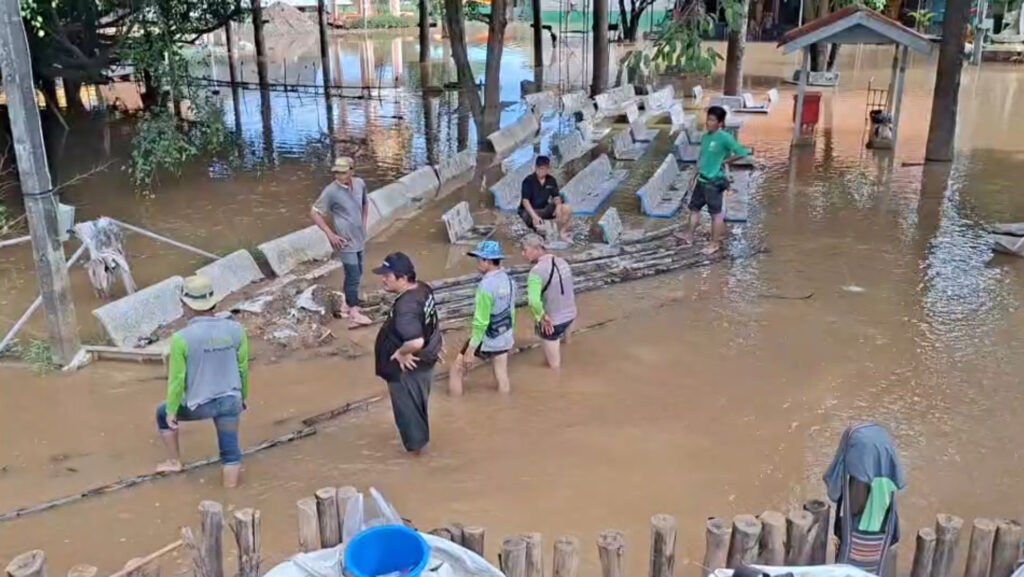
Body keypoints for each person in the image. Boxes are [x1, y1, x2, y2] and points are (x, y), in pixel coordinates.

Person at [155, 275, 249, 488]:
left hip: (201, 404)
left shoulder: (181, 338)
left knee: (161, 414)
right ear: (213, 302)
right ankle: (231, 495)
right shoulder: (236, 330)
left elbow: (177, 380)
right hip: (231, 400)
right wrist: (242, 398)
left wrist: (171, 410)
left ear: (186, 305)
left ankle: (174, 462)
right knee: (230, 453)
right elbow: (243, 368)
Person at [372, 252, 443, 455]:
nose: (383, 279)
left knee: (409, 416)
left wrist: (402, 353)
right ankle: (420, 449)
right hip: (424, 362)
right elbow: (431, 318)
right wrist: (436, 340)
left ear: (403, 278)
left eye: (388, 275)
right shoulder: (422, 288)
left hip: (406, 370)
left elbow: (415, 341)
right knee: (417, 409)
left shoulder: (406, 307)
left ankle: (419, 461)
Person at [677, 106, 751, 255]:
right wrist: (694, 175)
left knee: (716, 214)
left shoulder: (724, 137)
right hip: (702, 180)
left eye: (712, 120)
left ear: (720, 123)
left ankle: (714, 243)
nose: (708, 122)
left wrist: (726, 161)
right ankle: (689, 235)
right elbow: (702, 157)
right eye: (708, 119)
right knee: (694, 209)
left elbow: (742, 152)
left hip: (714, 181)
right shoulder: (705, 137)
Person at [311, 156, 373, 327]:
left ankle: (346, 303)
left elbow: (365, 204)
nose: (339, 176)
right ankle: (354, 311)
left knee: (358, 271)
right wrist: (330, 234)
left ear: (352, 172)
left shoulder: (359, 184)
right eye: (337, 173)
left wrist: (364, 223)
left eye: (343, 173)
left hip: (359, 237)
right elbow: (315, 212)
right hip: (344, 241)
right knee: (353, 274)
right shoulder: (331, 191)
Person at [448, 240, 516, 396]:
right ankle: (504, 405)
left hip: (487, 336)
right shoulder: (509, 281)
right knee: (501, 375)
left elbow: (481, 321)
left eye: (479, 259)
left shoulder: (485, 286)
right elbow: (511, 311)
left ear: (488, 261)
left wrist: (471, 350)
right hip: (505, 334)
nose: (477, 263)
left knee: (456, 370)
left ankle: (455, 406)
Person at [522, 234, 576, 369]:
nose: (523, 254)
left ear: (537, 249)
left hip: (553, 323)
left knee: (554, 368)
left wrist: (542, 317)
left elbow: (533, 301)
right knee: (568, 347)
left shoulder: (536, 272)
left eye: (525, 250)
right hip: (571, 315)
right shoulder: (563, 262)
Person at [519, 156, 573, 242]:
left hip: (543, 208)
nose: (541, 171)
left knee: (566, 208)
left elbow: (556, 197)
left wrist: (558, 207)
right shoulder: (528, 181)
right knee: (537, 222)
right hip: (529, 211)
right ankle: (541, 238)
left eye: (544, 169)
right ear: (536, 168)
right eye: (540, 168)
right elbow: (525, 201)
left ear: (548, 169)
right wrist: (534, 216)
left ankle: (562, 233)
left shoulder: (551, 180)